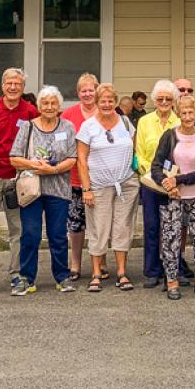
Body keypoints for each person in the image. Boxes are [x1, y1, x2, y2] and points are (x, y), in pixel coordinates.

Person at [9, 86, 78, 296]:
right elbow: (13, 158)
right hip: (32, 189)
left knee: (57, 235)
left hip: (58, 189)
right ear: (38, 106)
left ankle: (62, 277)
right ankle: (27, 278)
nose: (49, 107)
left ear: (59, 106)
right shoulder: (28, 127)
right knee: (30, 234)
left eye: (53, 103)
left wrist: (53, 169)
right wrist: (33, 164)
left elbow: (73, 158)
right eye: (45, 103)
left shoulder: (67, 126)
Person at [150, 94, 195, 300]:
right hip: (173, 198)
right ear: (178, 114)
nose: (187, 117)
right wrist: (167, 184)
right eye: (184, 113)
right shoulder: (169, 136)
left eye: (191, 112)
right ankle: (171, 282)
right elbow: (156, 166)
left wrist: (178, 180)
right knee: (171, 240)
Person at [0, 68, 38, 293]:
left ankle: (16, 274)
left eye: (18, 84)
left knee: (18, 230)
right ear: (2, 85)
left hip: (19, 180)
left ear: (23, 88)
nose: (13, 88)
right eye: (9, 83)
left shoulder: (30, 111)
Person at [76, 83, 139, 292]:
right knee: (98, 228)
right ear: (96, 102)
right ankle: (96, 273)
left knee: (123, 227)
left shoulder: (125, 122)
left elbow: (134, 149)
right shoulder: (88, 126)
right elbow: (82, 160)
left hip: (126, 184)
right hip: (99, 186)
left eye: (110, 100)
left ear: (116, 102)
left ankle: (121, 272)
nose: (106, 104)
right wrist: (86, 189)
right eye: (102, 100)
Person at [135, 79, 181, 288]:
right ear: (154, 100)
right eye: (160, 98)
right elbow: (140, 154)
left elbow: (183, 154)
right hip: (151, 183)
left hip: (173, 182)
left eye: (168, 99)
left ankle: (173, 268)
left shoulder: (180, 122)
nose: (164, 102)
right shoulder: (144, 122)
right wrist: (156, 176)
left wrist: (171, 179)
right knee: (152, 226)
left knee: (173, 227)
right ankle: (152, 270)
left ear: (174, 101)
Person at [61, 73, 99, 283]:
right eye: (83, 90)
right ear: (78, 93)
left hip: (100, 179)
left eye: (91, 89)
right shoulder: (69, 114)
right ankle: (75, 264)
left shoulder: (105, 111)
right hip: (74, 179)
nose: (87, 94)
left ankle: (99, 263)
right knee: (76, 225)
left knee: (99, 224)